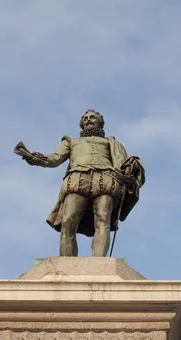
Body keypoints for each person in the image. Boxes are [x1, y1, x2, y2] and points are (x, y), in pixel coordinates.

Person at [20, 109, 145, 256]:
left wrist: (132, 166)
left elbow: (123, 164)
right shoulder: (71, 142)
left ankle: (99, 264)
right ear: (81, 123)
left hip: (105, 182)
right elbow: (54, 158)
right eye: (85, 118)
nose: (88, 120)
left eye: (92, 117)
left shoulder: (112, 142)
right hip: (76, 181)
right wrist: (36, 158)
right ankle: (67, 265)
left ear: (100, 122)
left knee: (103, 220)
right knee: (68, 222)